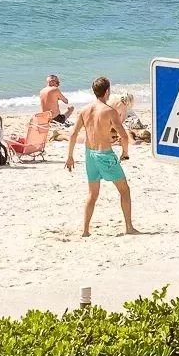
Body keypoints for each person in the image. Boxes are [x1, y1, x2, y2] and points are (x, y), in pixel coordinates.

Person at [65, 77, 137, 237]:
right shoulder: (109, 111)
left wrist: (69, 156)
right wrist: (125, 153)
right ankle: (129, 227)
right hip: (105, 155)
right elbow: (124, 136)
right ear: (107, 91)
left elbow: (73, 134)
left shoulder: (84, 110)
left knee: (92, 194)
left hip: (90, 155)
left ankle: (85, 230)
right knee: (124, 190)